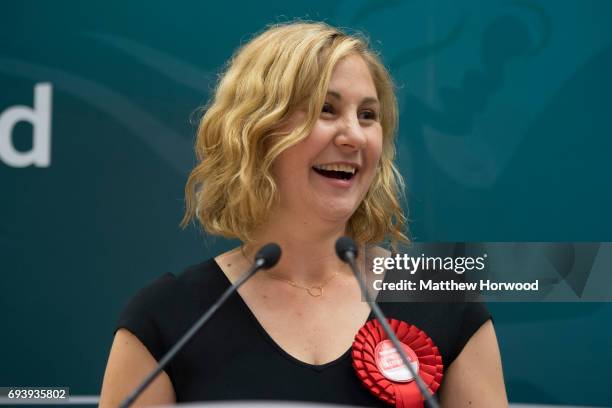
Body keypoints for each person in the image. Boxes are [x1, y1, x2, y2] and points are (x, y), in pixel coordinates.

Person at [100, 21, 507, 407]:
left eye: (368, 115)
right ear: (256, 131)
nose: (353, 136)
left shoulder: (446, 302)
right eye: (325, 110)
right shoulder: (167, 318)